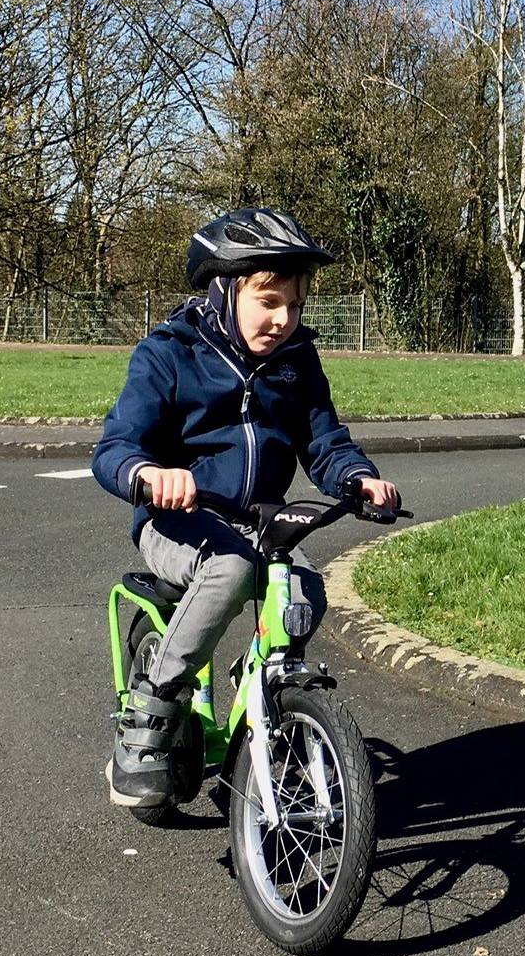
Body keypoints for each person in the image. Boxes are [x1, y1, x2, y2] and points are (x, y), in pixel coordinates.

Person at [92, 206, 399, 808]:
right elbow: (115, 449)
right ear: (226, 291)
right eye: (268, 303)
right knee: (230, 572)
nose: (283, 320)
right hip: (176, 521)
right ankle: (151, 711)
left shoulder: (296, 364)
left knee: (304, 589)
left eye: (294, 305)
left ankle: (269, 698)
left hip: (259, 522)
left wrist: (359, 478)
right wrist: (150, 474)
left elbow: (323, 442)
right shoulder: (168, 354)